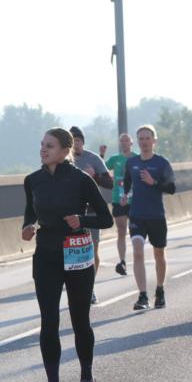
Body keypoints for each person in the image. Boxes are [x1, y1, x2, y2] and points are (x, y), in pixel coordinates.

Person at [22, 127, 113, 382]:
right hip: (46, 254)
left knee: (79, 320)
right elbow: (31, 211)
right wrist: (28, 226)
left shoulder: (81, 180)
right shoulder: (32, 180)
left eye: (49, 145)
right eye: (42, 144)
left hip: (77, 253)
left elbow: (106, 219)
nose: (43, 149)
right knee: (48, 321)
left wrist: (82, 220)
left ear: (65, 150)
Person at [123, 125, 175, 310]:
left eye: (147, 138)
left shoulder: (162, 163)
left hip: (156, 216)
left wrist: (154, 182)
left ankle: (160, 290)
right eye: (141, 138)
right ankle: (143, 296)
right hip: (137, 215)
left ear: (154, 141)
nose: (144, 142)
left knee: (159, 254)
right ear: (137, 141)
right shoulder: (132, 162)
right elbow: (127, 181)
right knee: (137, 252)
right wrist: (125, 194)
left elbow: (172, 188)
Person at [69, 127, 113, 304]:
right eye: (73, 141)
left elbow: (109, 183)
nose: (76, 144)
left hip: (93, 212)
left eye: (78, 140)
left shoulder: (93, 158)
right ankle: (76, 289)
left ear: (83, 142)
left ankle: (90, 287)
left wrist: (94, 175)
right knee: (74, 253)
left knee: (93, 250)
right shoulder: (65, 161)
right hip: (72, 213)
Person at [105, 133, 137, 276]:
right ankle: (122, 261)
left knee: (136, 231)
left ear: (131, 143)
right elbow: (101, 169)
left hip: (135, 200)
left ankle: (138, 257)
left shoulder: (137, 158)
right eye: (122, 141)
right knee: (121, 230)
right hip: (118, 200)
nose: (124, 143)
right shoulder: (115, 159)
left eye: (126, 141)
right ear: (120, 143)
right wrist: (101, 154)